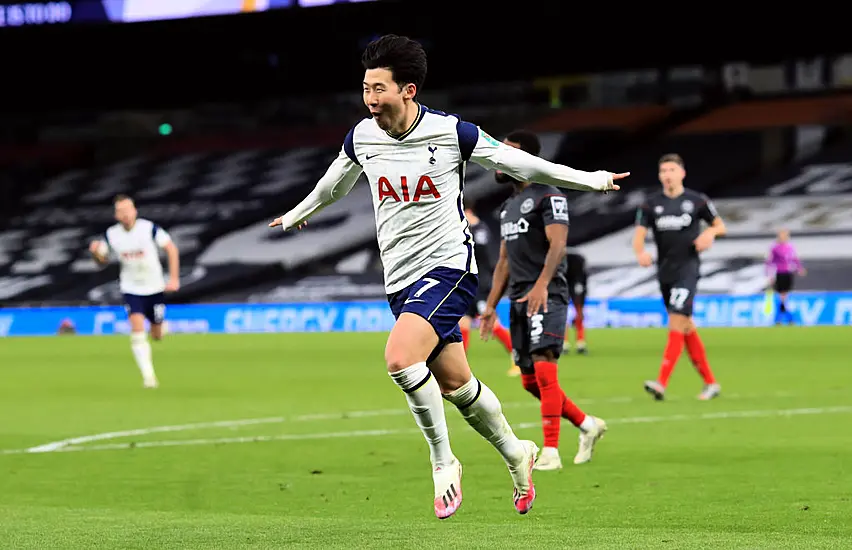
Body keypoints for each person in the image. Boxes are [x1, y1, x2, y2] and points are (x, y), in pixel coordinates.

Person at [268, 35, 627, 519]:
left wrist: (591, 179)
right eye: (365, 89)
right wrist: (296, 214)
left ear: (408, 90)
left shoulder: (451, 133)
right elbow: (332, 183)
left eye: (379, 89)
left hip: (449, 267)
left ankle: (444, 463)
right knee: (459, 386)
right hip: (399, 278)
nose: (370, 99)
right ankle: (516, 453)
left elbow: (519, 162)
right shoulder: (362, 138)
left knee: (399, 359)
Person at [480, 129, 608, 471]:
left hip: (547, 294)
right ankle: (586, 425)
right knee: (529, 380)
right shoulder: (507, 208)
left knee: (544, 365)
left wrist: (542, 284)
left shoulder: (548, 196)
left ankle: (551, 451)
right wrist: (491, 306)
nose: (499, 158)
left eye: (509, 152)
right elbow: (504, 262)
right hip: (519, 299)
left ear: (526, 160)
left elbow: (558, 244)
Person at [633, 154, 724, 401]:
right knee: (686, 326)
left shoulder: (696, 201)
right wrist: (640, 252)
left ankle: (661, 382)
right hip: (665, 272)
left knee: (675, 321)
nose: (667, 175)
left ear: (682, 173)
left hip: (688, 270)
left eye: (672, 170)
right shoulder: (650, 204)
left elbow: (720, 225)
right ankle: (711, 383)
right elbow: (639, 234)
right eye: (663, 171)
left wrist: (710, 234)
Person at [89, 194, 180, 388]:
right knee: (137, 330)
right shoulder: (111, 234)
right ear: (116, 215)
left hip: (154, 286)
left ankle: (160, 326)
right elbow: (101, 262)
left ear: (135, 211)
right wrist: (95, 253)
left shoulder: (149, 228)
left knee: (156, 334)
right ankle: (149, 377)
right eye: (121, 211)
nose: (125, 214)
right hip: (131, 288)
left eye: (128, 209)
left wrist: (173, 279)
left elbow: (171, 249)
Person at [459, 199, 515, 368]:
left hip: (480, 284)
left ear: (467, 211)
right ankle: (461, 365)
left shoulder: (478, 229)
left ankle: (518, 356)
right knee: (463, 323)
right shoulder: (466, 230)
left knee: (491, 321)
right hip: (466, 284)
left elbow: (483, 256)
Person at [766, 229, 806, 325]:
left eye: (785, 236)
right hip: (779, 273)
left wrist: (799, 268)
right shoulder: (775, 248)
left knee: (785, 296)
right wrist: (770, 275)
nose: (784, 238)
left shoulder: (790, 247)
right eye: (782, 236)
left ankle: (782, 318)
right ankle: (785, 318)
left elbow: (794, 259)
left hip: (788, 273)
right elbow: (770, 262)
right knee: (782, 296)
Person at [564, 247, 589, 354]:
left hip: (576, 282)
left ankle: (580, 342)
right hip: (563, 282)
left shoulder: (578, 259)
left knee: (579, 313)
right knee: (562, 314)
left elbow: (583, 277)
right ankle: (564, 343)